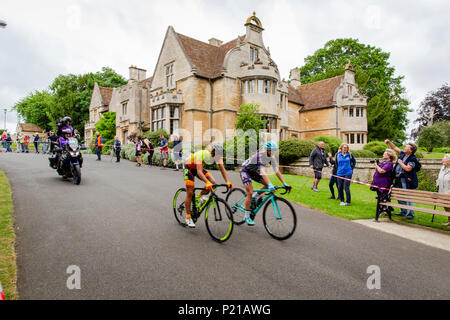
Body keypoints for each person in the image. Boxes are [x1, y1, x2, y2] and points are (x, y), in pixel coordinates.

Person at [240, 141, 291, 226]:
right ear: (267, 150)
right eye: (272, 150)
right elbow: (262, 171)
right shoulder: (260, 156)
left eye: (275, 150)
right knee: (249, 192)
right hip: (245, 171)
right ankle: (246, 216)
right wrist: (271, 184)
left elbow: (277, 171)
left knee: (266, 185)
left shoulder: (271, 158)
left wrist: (285, 183)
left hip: (253, 171)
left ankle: (255, 196)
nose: (274, 152)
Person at [183, 143, 233, 228]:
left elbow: (222, 169)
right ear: (213, 152)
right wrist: (207, 182)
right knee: (190, 191)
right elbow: (199, 172)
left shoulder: (218, 157)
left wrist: (227, 181)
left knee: (213, 182)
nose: (219, 156)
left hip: (199, 168)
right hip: (190, 168)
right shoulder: (201, 154)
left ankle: (199, 197)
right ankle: (188, 217)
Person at [385, 140, 421, 220]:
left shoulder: (412, 159)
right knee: (399, 195)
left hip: (406, 180)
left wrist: (400, 163)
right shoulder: (403, 154)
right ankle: (403, 211)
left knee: (407, 196)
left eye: (406, 147)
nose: (404, 148)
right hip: (398, 178)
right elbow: (394, 148)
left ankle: (410, 214)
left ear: (411, 150)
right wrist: (389, 142)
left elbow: (408, 169)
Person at [372, 149, 397, 222]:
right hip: (378, 183)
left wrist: (376, 165)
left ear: (389, 155)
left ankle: (385, 210)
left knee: (383, 197)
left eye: (384, 154)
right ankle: (383, 209)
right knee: (380, 196)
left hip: (384, 183)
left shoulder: (389, 163)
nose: (383, 155)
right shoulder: (384, 162)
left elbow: (382, 171)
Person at [436, 154, 450, 227]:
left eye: (444, 160)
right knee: (446, 206)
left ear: (449, 161)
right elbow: (439, 177)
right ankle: (449, 221)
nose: (442, 161)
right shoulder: (442, 168)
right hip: (442, 190)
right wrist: (437, 183)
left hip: (448, 191)